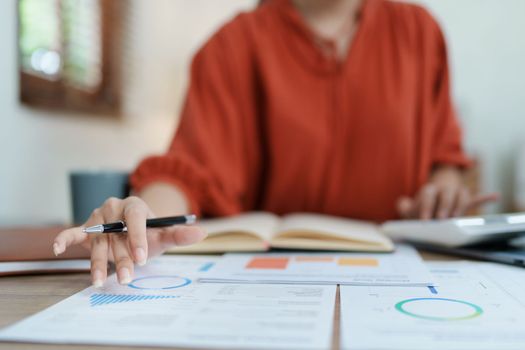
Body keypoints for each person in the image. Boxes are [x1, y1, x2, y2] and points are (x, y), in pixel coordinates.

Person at [54, 0, 498, 287]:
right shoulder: (229, 48)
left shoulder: (420, 32)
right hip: (270, 281)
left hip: (407, 272)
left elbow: (447, 156)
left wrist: (442, 188)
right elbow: (186, 169)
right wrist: (145, 212)